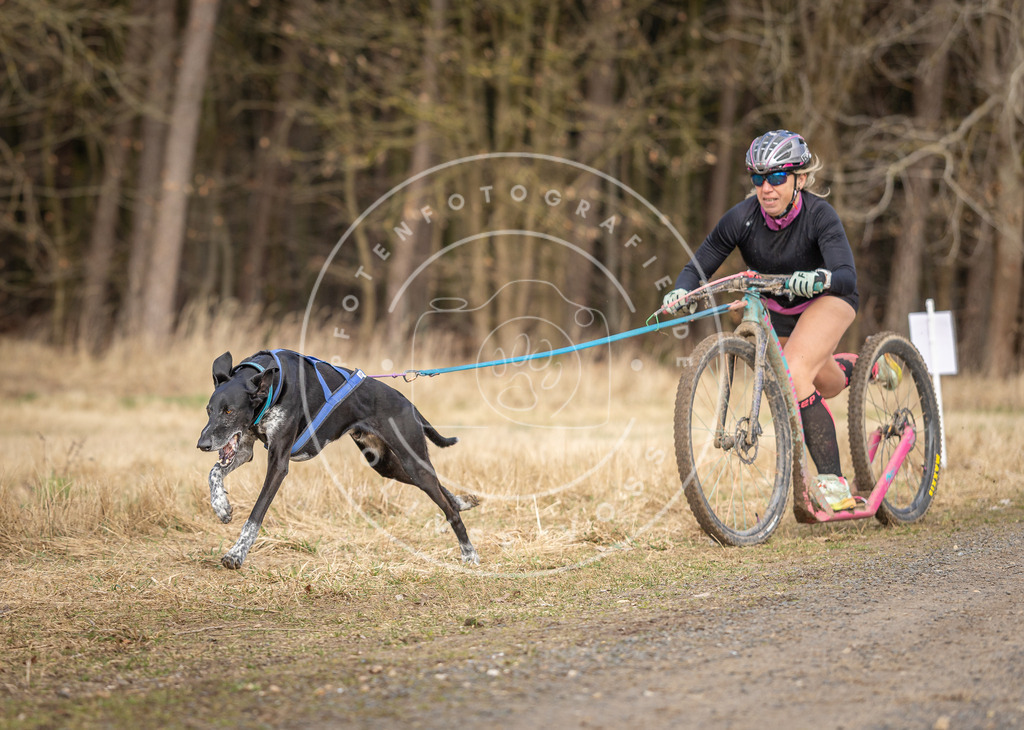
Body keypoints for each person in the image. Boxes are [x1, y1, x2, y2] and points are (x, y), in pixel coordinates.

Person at [663, 129, 889, 510]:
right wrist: (681, 291)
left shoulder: (820, 215)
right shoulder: (742, 218)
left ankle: (833, 483)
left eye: (777, 178)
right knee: (826, 383)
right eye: (758, 178)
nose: (766, 188)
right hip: (781, 311)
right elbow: (699, 265)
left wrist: (819, 278)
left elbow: (846, 274)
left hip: (829, 299)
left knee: (794, 374)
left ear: (800, 179)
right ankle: (868, 366)